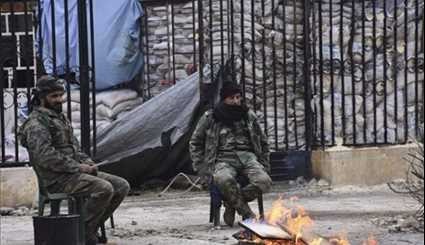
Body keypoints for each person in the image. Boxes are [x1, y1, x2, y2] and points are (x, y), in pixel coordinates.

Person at [18, 75, 130, 245]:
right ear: (41, 98)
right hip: (57, 179)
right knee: (104, 188)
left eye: (60, 95)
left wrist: (87, 162)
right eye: (53, 96)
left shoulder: (59, 118)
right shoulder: (36, 124)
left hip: (73, 173)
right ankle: (84, 233)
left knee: (121, 185)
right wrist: (78, 167)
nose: (59, 100)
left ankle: (87, 229)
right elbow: (45, 157)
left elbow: (75, 148)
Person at [189, 82, 272, 227]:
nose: (236, 101)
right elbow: (195, 143)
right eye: (231, 98)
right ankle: (247, 214)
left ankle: (231, 203)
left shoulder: (248, 115)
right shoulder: (211, 117)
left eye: (238, 97)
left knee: (264, 181)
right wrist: (201, 168)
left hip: (248, 158)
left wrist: (264, 163)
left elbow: (263, 141)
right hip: (222, 159)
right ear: (224, 99)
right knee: (222, 178)